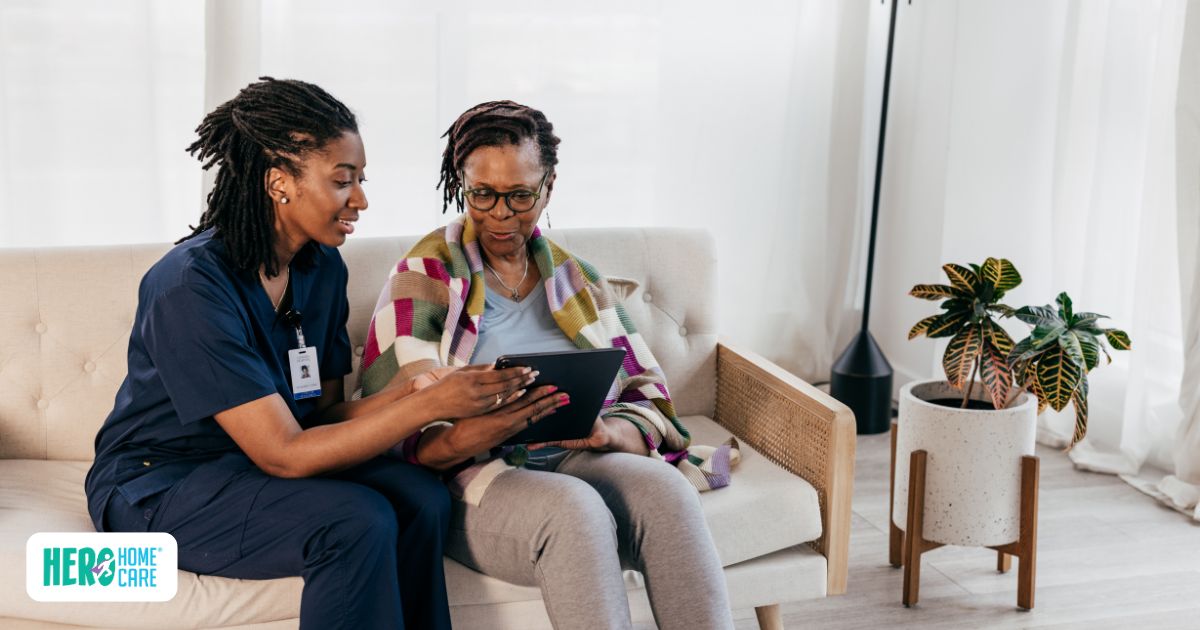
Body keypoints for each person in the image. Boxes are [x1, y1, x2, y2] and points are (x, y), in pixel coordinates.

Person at [84, 79, 565, 630]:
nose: (360, 199)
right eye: (343, 181)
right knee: (354, 521)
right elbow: (284, 454)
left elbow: (322, 417)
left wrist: (416, 392)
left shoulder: (322, 268)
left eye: (360, 180)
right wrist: (419, 411)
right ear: (278, 182)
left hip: (253, 468)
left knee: (421, 500)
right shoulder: (189, 287)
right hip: (161, 485)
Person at [359, 101, 736, 630]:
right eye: (482, 194)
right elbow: (400, 420)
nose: (500, 214)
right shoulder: (424, 275)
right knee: (573, 511)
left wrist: (608, 433)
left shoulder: (576, 277)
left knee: (667, 491)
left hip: (577, 457)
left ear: (549, 186)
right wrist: (482, 426)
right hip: (475, 476)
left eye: (520, 196)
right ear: (460, 183)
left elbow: (650, 395)